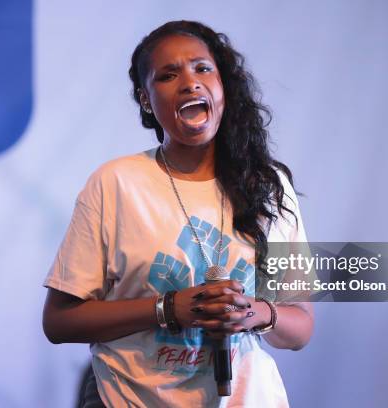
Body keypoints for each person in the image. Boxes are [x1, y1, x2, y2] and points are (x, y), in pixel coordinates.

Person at [42, 20, 314, 408]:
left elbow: (301, 326)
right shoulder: (116, 183)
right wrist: (169, 309)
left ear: (224, 88)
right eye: (168, 75)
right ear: (145, 100)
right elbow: (59, 322)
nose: (190, 82)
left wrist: (253, 313)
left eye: (203, 68)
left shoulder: (269, 188)